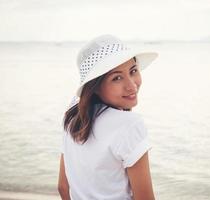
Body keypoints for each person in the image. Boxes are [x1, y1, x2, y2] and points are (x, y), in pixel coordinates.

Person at [57, 34, 158, 200]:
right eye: (117, 78)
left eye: (133, 71)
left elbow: (62, 187)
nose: (131, 85)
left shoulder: (73, 115)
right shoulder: (129, 125)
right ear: (94, 87)